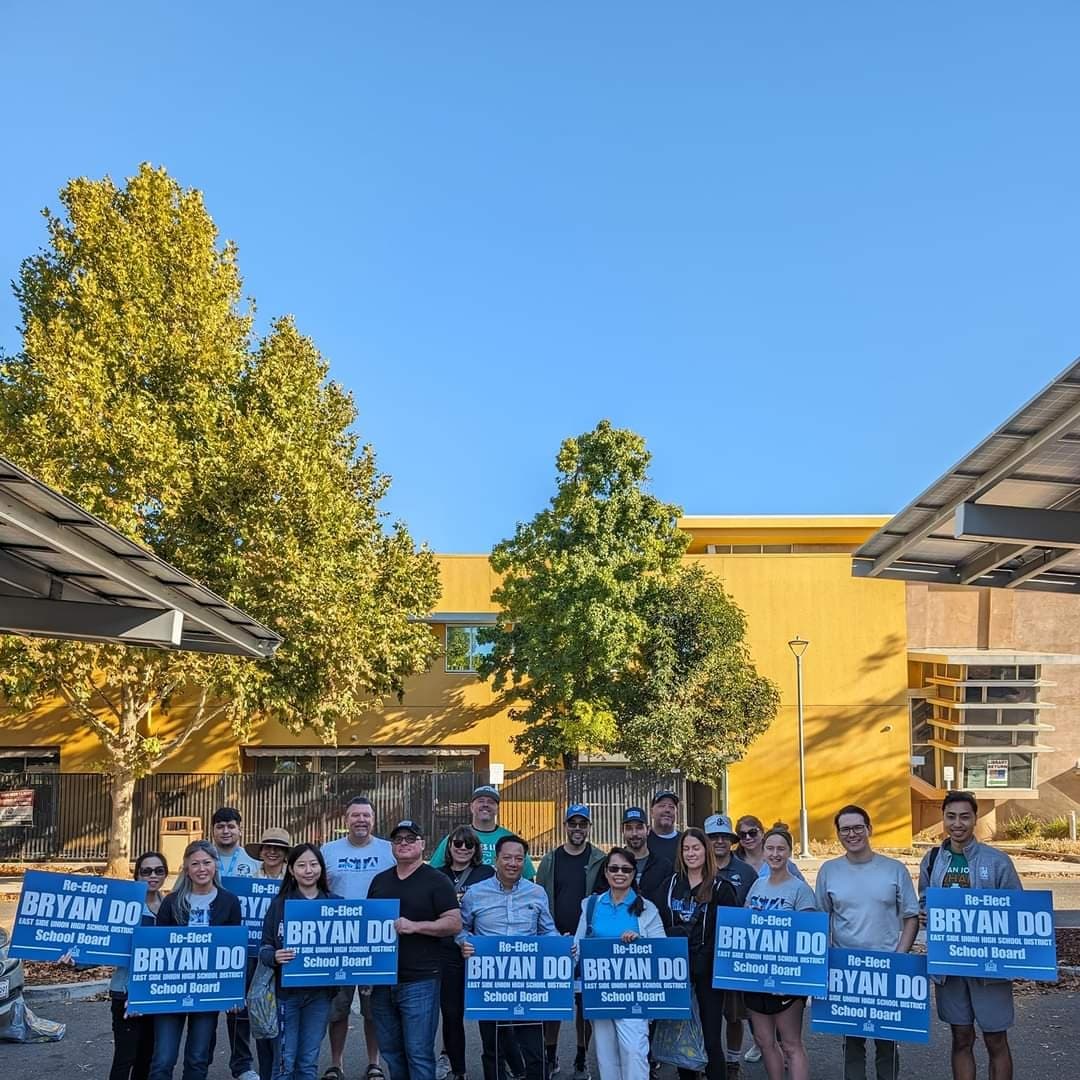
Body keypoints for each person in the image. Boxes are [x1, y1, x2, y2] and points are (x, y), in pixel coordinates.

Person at [918, 791, 1022, 1080]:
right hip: (950, 967)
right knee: (961, 1037)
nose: (957, 824)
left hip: (989, 967)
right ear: (943, 819)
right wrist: (925, 913)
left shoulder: (997, 861)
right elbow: (925, 899)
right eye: (951, 817)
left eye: (964, 817)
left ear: (975, 819)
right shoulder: (933, 859)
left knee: (995, 1039)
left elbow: (1017, 910)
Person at [816, 805, 918, 1080]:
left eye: (858, 827)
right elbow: (821, 919)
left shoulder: (894, 869)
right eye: (845, 829)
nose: (852, 834)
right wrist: (827, 956)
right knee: (852, 1042)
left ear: (869, 829)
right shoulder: (829, 870)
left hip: (887, 966)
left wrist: (899, 957)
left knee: (887, 1042)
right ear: (838, 834)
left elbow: (911, 917)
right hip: (846, 969)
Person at [368, 820, 462, 1080]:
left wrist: (416, 926)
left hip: (420, 979)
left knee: (418, 1053)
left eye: (410, 839)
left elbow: (454, 923)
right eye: (398, 839)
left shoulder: (437, 880)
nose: (404, 843)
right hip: (383, 981)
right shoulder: (379, 881)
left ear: (422, 844)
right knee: (392, 1052)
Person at [458, 834, 557, 1080]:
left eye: (519, 859)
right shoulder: (475, 893)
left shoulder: (537, 893)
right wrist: (464, 942)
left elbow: (547, 930)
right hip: (489, 980)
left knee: (534, 1048)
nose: (513, 863)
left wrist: (561, 945)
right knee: (493, 1048)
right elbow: (461, 927)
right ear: (496, 859)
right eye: (507, 858)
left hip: (528, 980)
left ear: (525, 861)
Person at [149, 839, 243, 1080]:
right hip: (170, 990)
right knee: (163, 1060)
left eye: (207, 862)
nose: (202, 869)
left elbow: (234, 950)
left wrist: (232, 994)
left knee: (198, 1059)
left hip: (208, 991)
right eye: (195, 864)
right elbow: (156, 949)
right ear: (186, 869)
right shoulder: (171, 902)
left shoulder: (230, 902)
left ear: (215, 865)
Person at [321, 796, 397, 1080]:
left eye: (366, 815)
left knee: (373, 1010)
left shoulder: (388, 850)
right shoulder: (328, 850)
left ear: (374, 820)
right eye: (355, 815)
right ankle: (336, 1064)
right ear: (346, 820)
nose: (361, 820)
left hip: (375, 942)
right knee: (337, 1009)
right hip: (337, 942)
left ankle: (374, 1063)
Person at [574, 847, 666, 1080]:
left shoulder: (647, 908)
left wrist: (640, 941)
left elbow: (662, 950)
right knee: (606, 1056)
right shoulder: (590, 905)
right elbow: (578, 946)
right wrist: (567, 949)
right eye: (614, 868)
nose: (619, 874)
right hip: (599, 990)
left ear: (633, 874)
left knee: (634, 1051)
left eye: (626, 869)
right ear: (606, 872)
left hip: (634, 992)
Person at [663, 827, 738, 1080]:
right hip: (677, 971)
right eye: (686, 849)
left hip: (708, 973)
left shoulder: (721, 887)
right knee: (683, 1036)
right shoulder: (671, 884)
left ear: (706, 851)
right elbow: (657, 920)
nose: (691, 853)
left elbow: (728, 932)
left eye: (696, 848)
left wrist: (706, 959)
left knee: (710, 1038)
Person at [260, 844, 340, 1080]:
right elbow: (265, 946)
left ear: (322, 868)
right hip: (287, 995)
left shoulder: (336, 904)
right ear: (291, 870)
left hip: (320, 995)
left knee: (308, 1062)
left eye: (314, 864)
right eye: (302, 865)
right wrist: (274, 956)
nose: (308, 870)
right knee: (284, 1062)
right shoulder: (279, 904)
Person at [743, 828, 816, 1080]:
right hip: (757, 974)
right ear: (763, 851)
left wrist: (790, 979)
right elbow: (744, 924)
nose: (775, 854)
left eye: (781, 849)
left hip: (787, 977)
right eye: (770, 848)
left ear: (789, 852)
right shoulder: (757, 884)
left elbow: (808, 935)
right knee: (764, 1041)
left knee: (790, 1043)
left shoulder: (800, 890)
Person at [536, 804, 603, 1080]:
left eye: (582, 824)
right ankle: (550, 1056)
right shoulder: (550, 860)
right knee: (553, 1003)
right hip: (556, 941)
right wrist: (550, 934)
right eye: (572, 823)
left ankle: (581, 1058)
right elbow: (540, 900)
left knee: (584, 1006)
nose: (577, 828)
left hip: (587, 943)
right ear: (565, 826)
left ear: (588, 827)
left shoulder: (599, 859)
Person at [436, 826, 497, 1080]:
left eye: (469, 844)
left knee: (489, 1011)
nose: (463, 848)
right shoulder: (437, 874)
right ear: (449, 846)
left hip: (481, 950)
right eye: (458, 843)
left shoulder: (487, 873)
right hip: (447, 951)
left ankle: (494, 1066)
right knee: (451, 1013)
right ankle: (458, 1068)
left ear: (476, 849)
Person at [101, 850, 166, 1080]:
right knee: (125, 1057)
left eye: (159, 870)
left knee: (147, 1056)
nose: (153, 876)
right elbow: (101, 940)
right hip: (126, 991)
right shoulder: (124, 906)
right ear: (137, 874)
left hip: (157, 994)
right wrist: (75, 959)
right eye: (146, 871)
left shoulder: (170, 906)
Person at [210, 808, 265, 1080]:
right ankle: (199, 1061)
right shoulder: (202, 858)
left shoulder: (253, 864)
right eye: (220, 826)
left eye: (231, 826)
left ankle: (242, 1064)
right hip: (208, 944)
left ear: (240, 829)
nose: (226, 831)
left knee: (238, 1008)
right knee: (205, 1006)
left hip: (243, 946)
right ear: (213, 830)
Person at [704, 814, 755, 1075]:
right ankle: (702, 1059)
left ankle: (733, 1062)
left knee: (733, 1014)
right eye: (714, 837)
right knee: (704, 1012)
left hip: (734, 954)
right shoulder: (697, 867)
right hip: (703, 953)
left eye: (724, 837)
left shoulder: (746, 872)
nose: (720, 841)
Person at [429, 785, 536, 878]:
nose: (485, 805)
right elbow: (433, 872)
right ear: (471, 807)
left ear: (497, 809)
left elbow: (528, 877)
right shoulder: (457, 838)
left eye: (491, 802)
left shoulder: (510, 840)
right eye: (480, 801)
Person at [618, 807, 674, 917]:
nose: (634, 833)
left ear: (648, 830)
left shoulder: (663, 866)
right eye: (629, 828)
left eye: (639, 828)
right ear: (622, 831)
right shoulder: (612, 866)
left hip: (656, 925)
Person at [646, 791, 681, 864]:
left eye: (671, 807)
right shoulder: (644, 841)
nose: (667, 810)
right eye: (662, 806)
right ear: (652, 812)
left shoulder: (684, 841)